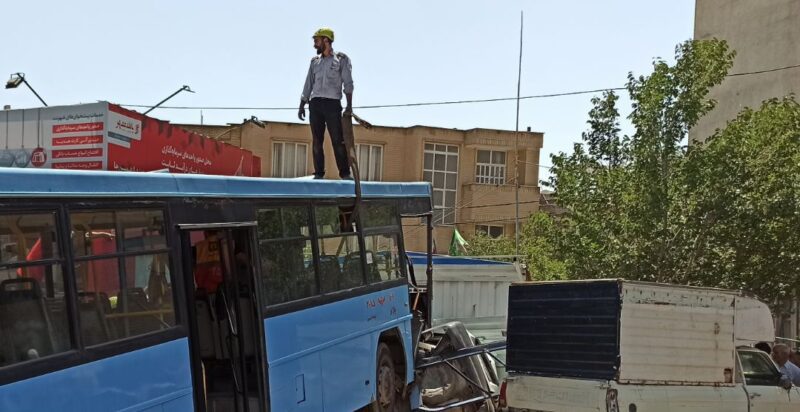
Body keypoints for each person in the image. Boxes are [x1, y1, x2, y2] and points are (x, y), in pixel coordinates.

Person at [298, 27, 354, 180]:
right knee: (317, 140)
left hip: (332, 105)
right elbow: (308, 84)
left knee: (338, 140)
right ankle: (318, 173)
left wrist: (349, 106)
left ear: (326, 40)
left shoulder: (341, 59)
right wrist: (302, 103)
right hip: (315, 105)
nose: (314, 44)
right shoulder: (314, 62)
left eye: (316, 41)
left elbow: (348, 83)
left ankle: (345, 173)